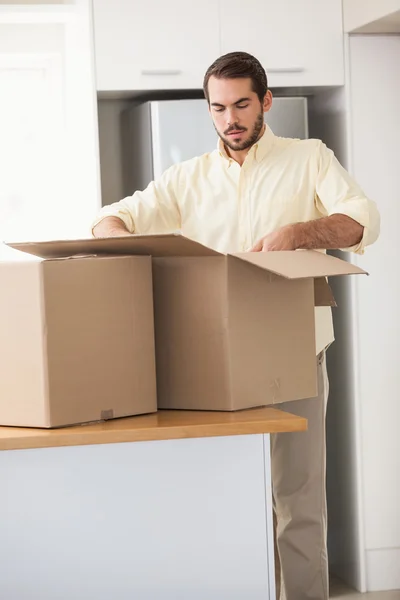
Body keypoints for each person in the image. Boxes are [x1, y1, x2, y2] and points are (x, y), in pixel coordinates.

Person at [92, 52, 380, 599]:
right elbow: (117, 215)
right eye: (219, 108)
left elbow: (361, 220)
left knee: (298, 501)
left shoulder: (308, 158)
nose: (231, 119)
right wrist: (118, 239)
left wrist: (299, 232)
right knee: (221, 500)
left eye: (242, 104)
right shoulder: (186, 178)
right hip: (210, 364)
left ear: (266, 101)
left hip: (294, 354)